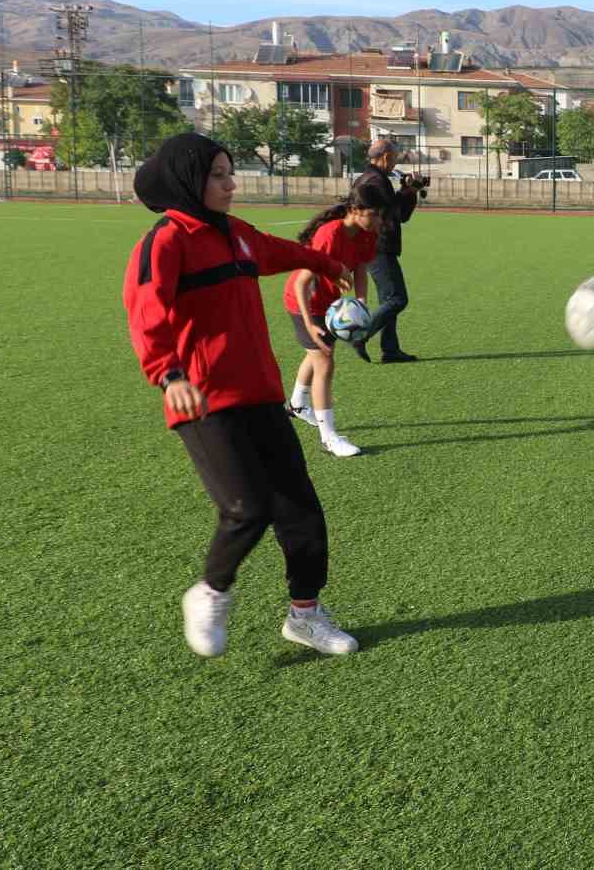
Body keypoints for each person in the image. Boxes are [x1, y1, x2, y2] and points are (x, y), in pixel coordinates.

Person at [123, 133, 360, 658]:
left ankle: (305, 617)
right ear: (188, 181)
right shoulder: (164, 242)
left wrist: (325, 264)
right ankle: (209, 593)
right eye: (219, 175)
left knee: (301, 511)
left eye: (231, 173)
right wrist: (171, 376)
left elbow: (280, 252)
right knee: (245, 508)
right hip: (202, 400)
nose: (231, 185)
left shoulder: (237, 235)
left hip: (260, 395)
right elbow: (146, 315)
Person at [283, 183, 389, 458]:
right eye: (375, 214)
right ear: (355, 210)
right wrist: (308, 323)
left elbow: (361, 268)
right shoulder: (329, 235)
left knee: (317, 354)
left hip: (331, 306)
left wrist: (362, 303)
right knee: (324, 360)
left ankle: (296, 404)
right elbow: (301, 284)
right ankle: (328, 438)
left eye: (381, 215)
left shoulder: (367, 233)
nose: (379, 221)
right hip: (304, 302)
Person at [352, 137, 420, 364]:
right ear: (385, 156)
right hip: (377, 247)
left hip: (376, 246)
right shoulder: (375, 181)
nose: (395, 162)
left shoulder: (373, 178)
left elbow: (396, 212)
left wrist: (408, 191)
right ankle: (361, 335)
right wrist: (409, 190)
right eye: (394, 157)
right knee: (398, 299)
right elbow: (394, 214)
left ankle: (390, 350)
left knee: (388, 300)